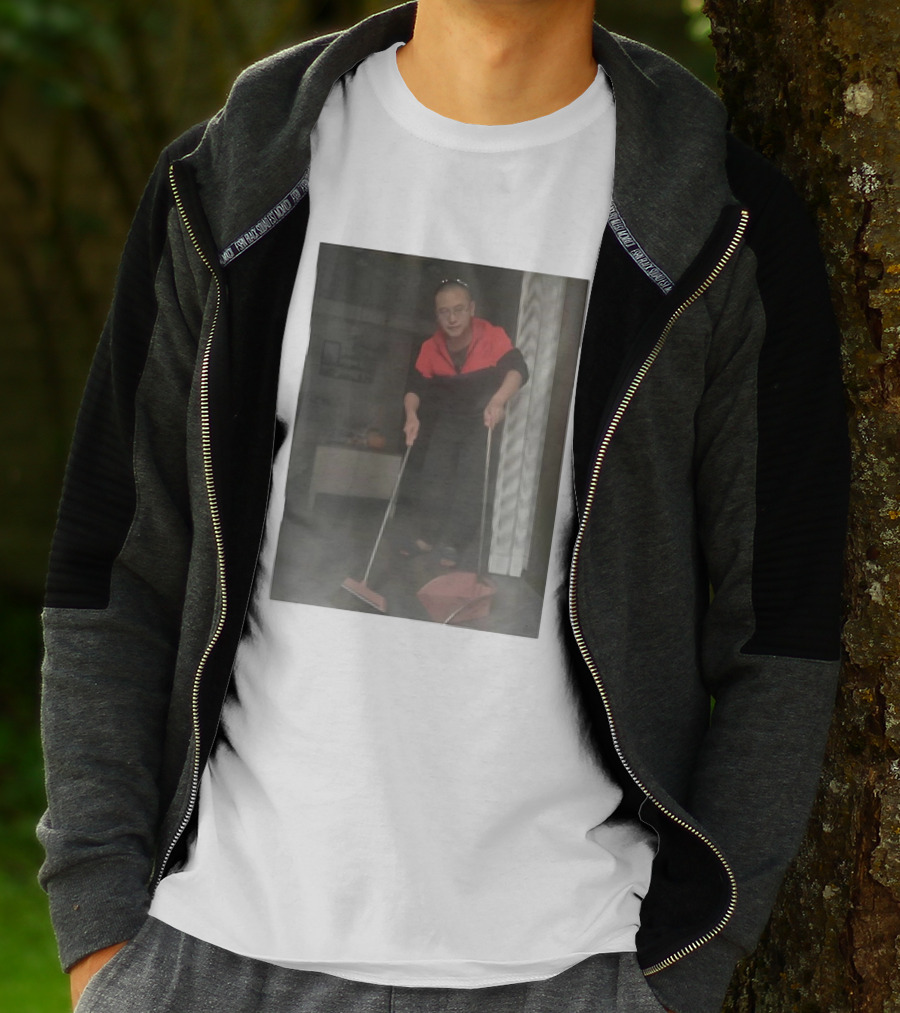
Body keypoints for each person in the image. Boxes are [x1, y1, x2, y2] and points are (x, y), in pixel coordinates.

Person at [38, 1, 849, 1012]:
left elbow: (783, 624)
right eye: (452, 309)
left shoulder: (720, 225)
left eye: (465, 308)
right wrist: (101, 927)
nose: (457, 316)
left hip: (569, 967)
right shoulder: (227, 181)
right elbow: (113, 570)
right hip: (206, 955)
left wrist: (684, 967)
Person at [401, 279, 528, 567]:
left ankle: (453, 543)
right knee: (434, 475)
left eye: (459, 309)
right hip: (449, 418)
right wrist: (411, 415)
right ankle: (427, 536)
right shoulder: (431, 347)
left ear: (471, 308)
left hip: (481, 418)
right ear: (437, 314)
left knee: (470, 481)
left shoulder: (492, 336)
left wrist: (498, 401)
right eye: (444, 312)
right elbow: (414, 387)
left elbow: (518, 370)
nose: (452, 318)